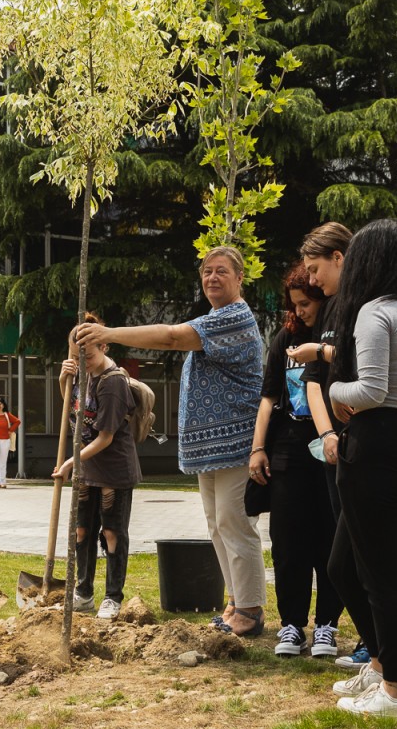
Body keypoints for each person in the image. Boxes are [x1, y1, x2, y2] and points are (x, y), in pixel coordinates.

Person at [72, 246, 266, 636]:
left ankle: (250, 608)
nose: (212, 277)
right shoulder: (213, 318)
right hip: (212, 448)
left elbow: (172, 337)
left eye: (221, 271)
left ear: (239, 277)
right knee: (218, 525)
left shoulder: (234, 317)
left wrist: (110, 333)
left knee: (235, 523)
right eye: (206, 271)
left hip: (235, 443)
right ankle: (235, 602)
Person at [320, 220, 397, 721]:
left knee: (381, 577)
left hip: (377, 448)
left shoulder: (375, 312)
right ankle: (383, 665)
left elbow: (370, 390)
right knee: (343, 567)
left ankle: (394, 693)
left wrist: (333, 391)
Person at [250, 264, 343, 658]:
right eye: (295, 305)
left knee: (330, 540)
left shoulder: (339, 335)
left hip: (332, 448)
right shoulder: (285, 338)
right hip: (288, 448)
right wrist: (258, 448)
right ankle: (291, 624)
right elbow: (269, 396)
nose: (300, 311)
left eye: (306, 303)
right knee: (287, 541)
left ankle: (326, 626)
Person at [288, 222, 361, 664]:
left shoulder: (364, 303)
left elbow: (362, 362)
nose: (312, 280)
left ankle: (376, 645)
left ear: (339, 257)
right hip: (336, 444)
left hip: (367, 441)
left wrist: (320, 351)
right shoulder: (332, 307)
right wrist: (327, 434)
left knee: (360, 551)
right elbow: (314, 381)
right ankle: (373, 641)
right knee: (342, 555)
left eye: (315, 269)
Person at [54, 329, 140, 619]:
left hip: (113, 468)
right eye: (76, 356)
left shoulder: (113, 382)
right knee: (82, 530)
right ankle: (83, 593)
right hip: (87, 466)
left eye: (88, 356)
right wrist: (63, 379)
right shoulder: (83, 371)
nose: (83, 361)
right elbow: (74, 410)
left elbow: (105, 437)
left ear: (104, 346)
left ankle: (113, 597)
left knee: (112, 532)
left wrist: (70, 462)